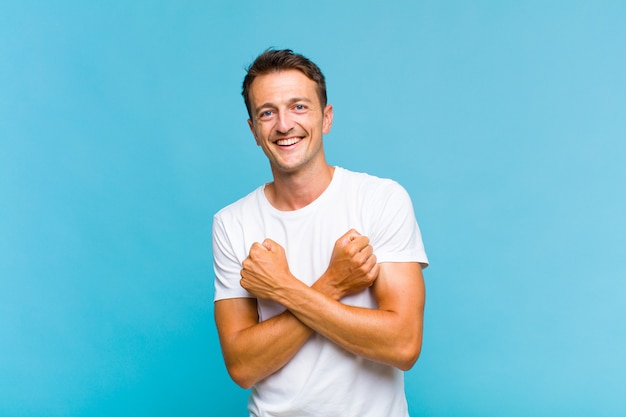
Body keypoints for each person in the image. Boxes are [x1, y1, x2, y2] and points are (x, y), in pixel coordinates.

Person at [212, 48, 428, 417]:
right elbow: (243, 367)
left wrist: (284, 288)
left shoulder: (381, 200)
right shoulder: (232, 222)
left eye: (299, 107)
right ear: (253, 130)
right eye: (267, 112)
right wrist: (332, 283)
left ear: (326, 118)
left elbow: (404, 344)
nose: (283, 125)